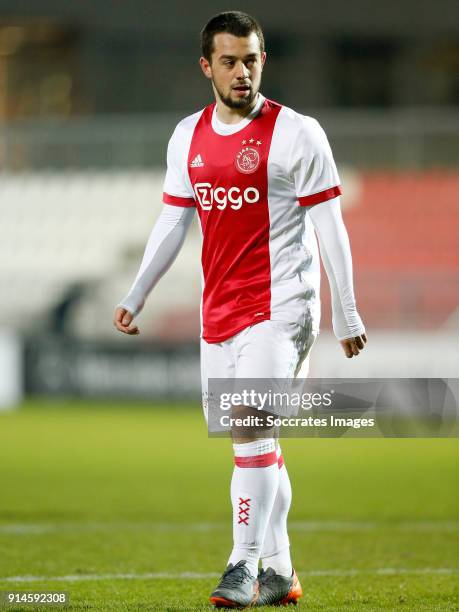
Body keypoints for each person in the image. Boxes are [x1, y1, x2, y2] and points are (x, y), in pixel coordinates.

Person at [113, 11, 367, 608]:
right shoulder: (187, 137)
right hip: (219, 310)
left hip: (284, 306)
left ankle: (242, 565)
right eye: (228, 61)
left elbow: (332, 226)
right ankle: (280, 570)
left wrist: (346, 311)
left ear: (263, 61)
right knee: (254, 442)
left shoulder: (298, 134)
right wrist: (136, 293)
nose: (241, 72)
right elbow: (175, 219)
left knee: (251, 421)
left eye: (251, 60)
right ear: (207, 67)